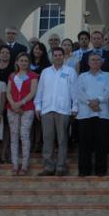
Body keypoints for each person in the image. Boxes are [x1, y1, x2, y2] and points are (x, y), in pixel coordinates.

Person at [34, 47, 77, 176]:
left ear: (64, 57)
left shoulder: (70, 71)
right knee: (47, 139)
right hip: (47, 109)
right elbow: (40, 90)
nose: (58, 57)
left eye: (60, 55)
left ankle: (61, 167)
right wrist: (38, 106)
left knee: (62, 139)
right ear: (52, 57)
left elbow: (74, 91)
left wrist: (75, 107)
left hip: (63, 110)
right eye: (55, 55)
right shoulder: (45, 72)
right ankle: (48, 167)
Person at [76, 53, 109, 176]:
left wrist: (97, 100)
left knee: (101, 143)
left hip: (102, 114)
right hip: (85, 114)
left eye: (98, 60)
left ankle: (101, 170)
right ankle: (84, 170)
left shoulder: (107, 75)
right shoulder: (82, 76)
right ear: (88, 62)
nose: (95, 62)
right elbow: (78, 92)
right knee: (84, 143)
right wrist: (89, 102)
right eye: (93, 60)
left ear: (101, 62)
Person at [6, 52, 39, 176]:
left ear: (28, 63)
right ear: (17, 62)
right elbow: (8, 92)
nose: (23, 63)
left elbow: (33, 92)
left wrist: (21, 103)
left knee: (24, 135)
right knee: (13, 137)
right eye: (21, 60)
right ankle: (15, 165)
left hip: (27, 108)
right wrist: (13, 103)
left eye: (26, 61)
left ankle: (24, 165)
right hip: (12, 108)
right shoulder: (12, 75)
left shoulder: (33, 75)